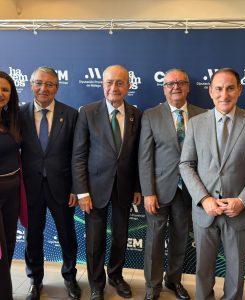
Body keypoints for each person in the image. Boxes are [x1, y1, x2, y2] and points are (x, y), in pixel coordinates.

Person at [179, 68, 245, 300]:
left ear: (239, 90)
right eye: (218, 89)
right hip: (205, 212)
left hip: (239, 213)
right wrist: (204, 199)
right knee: (203, 270)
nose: (224, 94)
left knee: (235, 272)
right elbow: (186, 164)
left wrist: (242, 201)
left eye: (229, 88)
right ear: (210, 91)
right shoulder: (196, 124)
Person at [72, 65, 142, 300]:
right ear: (102, 85)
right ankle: (96, 283)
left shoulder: (135, 114)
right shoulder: (88, 112)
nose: (114, 87)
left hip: (123, 187)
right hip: (94, 189)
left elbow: (139, 156)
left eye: (120, 83)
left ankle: (116, 275)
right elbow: (79, 155)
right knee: (94, 239)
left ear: (128, 86)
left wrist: (137, 187)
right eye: (110, 82)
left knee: (120, 236)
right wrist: (82, 191)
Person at [138, 68, 205, 300]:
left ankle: (173, 281)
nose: (175, 87)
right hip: (158, 191)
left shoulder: (202, 114)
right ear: (164, 88)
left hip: (189, 190)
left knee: (180, 239)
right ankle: (152, 286)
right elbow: (144, 156)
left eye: (180, 83)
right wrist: (148, 192)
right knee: (155, 240)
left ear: (188, 87)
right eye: (170, 84)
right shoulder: (151, 115)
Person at [20, 67, 80, 300]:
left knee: (67, 235)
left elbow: (78, 154)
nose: (43, 88)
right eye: (39, 83)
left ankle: (70, 277)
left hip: (63, 188)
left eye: (50, 84)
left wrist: (76, 187)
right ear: (31, 84)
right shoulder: (18, 113)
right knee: (32, 236)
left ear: (57, 87)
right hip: (30, 188)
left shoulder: (71, 114)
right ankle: (35, 280)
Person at [0, 71, 25, 300]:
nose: (1, 93)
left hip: (13, 193)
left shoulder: (11, 120)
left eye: (5, 89)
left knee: (7, 245)